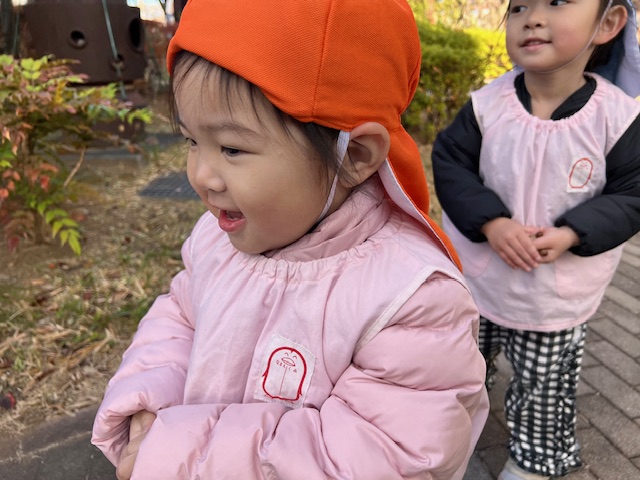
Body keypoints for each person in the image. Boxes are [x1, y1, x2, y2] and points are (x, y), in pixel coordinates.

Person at [91, 1, 490, 479]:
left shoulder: (410, 300)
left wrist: (181, 454)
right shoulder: (218, 239)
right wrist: (149, 402)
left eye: (232, 148)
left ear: (354, 155)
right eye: (191, 141)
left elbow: (385, 455)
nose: (200, 176)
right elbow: (181, 316)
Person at [431, 0, 640, 479]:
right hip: (481, 284)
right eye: (520, 5)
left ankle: (535, 458)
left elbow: (632, 193)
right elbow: (452, 163)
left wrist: (572, 232)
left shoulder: (617, 118)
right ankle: (447, 431)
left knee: (544, 384)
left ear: (608, 22)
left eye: (558, 2)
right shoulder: (487, 105)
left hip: (554, 296)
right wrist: (492, 222)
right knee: (458, 364)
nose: (534, 17)